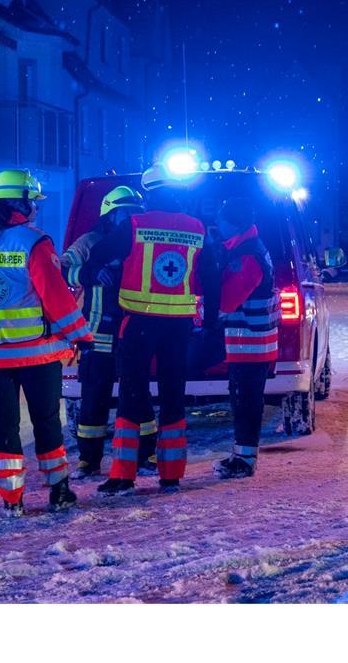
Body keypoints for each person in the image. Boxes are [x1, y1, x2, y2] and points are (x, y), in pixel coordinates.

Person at [0, 169, 92, 516]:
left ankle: (11, 500)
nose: (36, 208)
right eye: (33, 201)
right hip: (35, 353)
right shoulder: (34, 242)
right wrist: (80, 336)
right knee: (46, 421)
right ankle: (59, 492)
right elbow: (55, 296)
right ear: (21, 203)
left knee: (3, 427)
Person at [81, 165, 207, 495]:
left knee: (132, 394)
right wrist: (210, 319)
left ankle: (123, 475)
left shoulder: (136, 225)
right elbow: (210, 275)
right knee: (173, 396)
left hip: (139, 324)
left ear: (149, 193)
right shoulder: (197, 228)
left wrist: (108, 268)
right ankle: (171, 475)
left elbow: (97, 253)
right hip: (179, 327)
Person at [61, 185, 149, 478]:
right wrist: (88, 274)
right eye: (125, 213)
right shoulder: (90, 243)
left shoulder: (142, 241)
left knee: (138, 396)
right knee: (93, 399)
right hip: (97, 332)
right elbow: (60, 269)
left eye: (136, 213)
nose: (131, 219)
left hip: (132, 331)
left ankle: (144, 456)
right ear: (110, 215)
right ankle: (89, 461)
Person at [210, 199, 279, 479]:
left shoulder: (247, 255)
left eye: (221, 219)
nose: (217, 224)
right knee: (243, 400)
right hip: (251, 344)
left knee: (246, 401)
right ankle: (242, 456)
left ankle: (245, 460)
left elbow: (227, 300)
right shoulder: (246, 248)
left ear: (234, 223)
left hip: (250, 345)